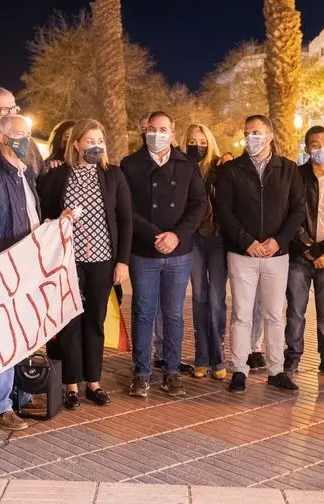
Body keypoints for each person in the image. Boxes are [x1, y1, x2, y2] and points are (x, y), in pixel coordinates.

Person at [0, 114, 55, 429]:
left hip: (27, 268)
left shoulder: (27, 173)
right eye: (18, 133)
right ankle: (1, 404)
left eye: (28, 133)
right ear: (1, 137)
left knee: (22, 334)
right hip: (3, 270)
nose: (24, 139)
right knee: (2, 337)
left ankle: (21, 395)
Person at [38, 119, 132, 409]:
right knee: (70, 323)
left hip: (102, 261)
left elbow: (126, 219)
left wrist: (122, 262)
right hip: (69, 263)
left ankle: (94, 382)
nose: (96, 146)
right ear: (76, 144)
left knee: (95, 320)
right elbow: (44, 218)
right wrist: (58, 219)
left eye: (99, 140)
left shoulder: (113, 175)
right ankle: (71, 384)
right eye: (89, 141)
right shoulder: (57, 177)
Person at [214, 115, 304, 393]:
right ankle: (239, 369)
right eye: (247, 133)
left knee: (275, 314)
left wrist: (278, 241)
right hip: (243, 255)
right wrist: (247, 241)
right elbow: (224, 211)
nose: (251, 137)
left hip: (277, 256)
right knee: (241, 314)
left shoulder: (288, 169)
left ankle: (276, 370)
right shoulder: (232, 170)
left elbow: (298, 209)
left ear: (270, 135)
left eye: (257, 132)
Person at [121, 111, 206, 398]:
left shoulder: (187, 165)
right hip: (144, 251)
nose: (157, 134)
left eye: (164, 129)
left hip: (178, 251)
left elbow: (198, 206)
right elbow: (127, 209)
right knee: (143, 312)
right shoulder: (130, 164)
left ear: (173, 132)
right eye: (153, 129)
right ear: (145, 131)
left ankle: (171, 371)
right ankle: (141, 373)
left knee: (173, 314)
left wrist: (176, 235)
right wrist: (154, 235)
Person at [283, 126, 324, 378]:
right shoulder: (295, 176)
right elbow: (290, 215)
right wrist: (309, 249)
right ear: (307, 148)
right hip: (299, 256)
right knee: (295, 311)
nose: (320, 147)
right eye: (314, 143)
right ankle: (292, 356)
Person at [180, 124, 226, 380]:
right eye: (191, 140)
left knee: (217, 299)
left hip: (217, 240)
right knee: (199, 297)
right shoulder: (183, 168)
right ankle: (202, 357)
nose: (197, 145)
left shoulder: (221, 168)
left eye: (202, 140)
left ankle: (218, 358)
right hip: (193, 241)